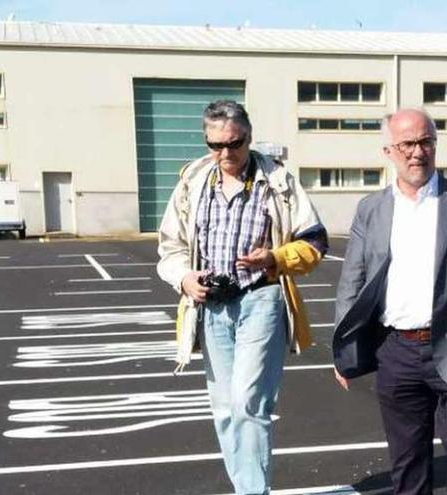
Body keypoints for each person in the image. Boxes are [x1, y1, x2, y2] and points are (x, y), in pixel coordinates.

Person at [332, 108, 447, 495]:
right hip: (395, 349)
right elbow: (353, 281)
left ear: (435, 145)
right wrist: (344, 349)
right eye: (407, 144)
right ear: (388, 151)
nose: (417, 152)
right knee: (408, 461)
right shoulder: (371, 209)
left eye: (425, 141)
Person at [157, 100, 327, 494]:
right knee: (225, 411)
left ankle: (252, 492)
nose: (225, 154)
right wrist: (184, 277)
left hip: (261, 298)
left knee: (249, 403)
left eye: (234, 143)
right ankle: (246, 488)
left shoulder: (279, 181)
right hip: (211, 306)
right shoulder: (193, 181)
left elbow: (315, 241)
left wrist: (276, 257)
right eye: (215, 145)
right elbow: (171, 245)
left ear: (249, 136)